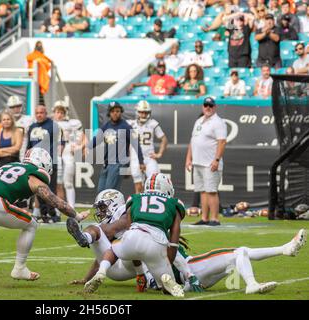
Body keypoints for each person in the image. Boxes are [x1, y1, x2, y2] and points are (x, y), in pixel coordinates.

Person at [0, 148, 90, 286]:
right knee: (31, 224)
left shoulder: (11, 165)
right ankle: (19, 268)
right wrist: (76, 215)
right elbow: (54, 200)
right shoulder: (34, 175)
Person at [79, 173, 186, 297]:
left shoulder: (134, 199)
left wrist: (139, 273)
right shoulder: (175, 203)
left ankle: (102, 271)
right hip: (154, 244)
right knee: (165, 280)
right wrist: (168, 263)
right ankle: (163, 279)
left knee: (113, 249)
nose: (100, 211)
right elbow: (173, 241)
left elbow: (129, 231)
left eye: (103, 207)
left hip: (132, 241)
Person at [173, 229, 307, 294]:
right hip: (192, 269)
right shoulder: (158, 231)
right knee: (239, 252)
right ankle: (252, 285)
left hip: (193, 275)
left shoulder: (154, 232)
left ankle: (284, 249)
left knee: (240, 256)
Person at [186, 97, 227, 226]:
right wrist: (188, 158)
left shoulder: (218, 122)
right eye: (205, 105)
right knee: (202, 191)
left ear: (214, 107)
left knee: (211, 191)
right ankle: (204, 218)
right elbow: (193, 141)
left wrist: (216, 159)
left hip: (210, 163)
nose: (207, 108)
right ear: (202, 107)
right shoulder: (199, 121)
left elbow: (222, 142)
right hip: (198, 162)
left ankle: (215, 218)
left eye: (210, 105)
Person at [88, 101, 145, 193]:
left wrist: (141, 161)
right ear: (109, 113)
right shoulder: (106, 126)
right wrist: (86, 147)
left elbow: (136, 144)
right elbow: (96, 140)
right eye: (113, 111)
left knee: (110, 191)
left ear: (120, 112)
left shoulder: (126, 127)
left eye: (117, 111)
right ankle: (104, 207)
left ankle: (112, 207)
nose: (115, 113)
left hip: (119, 162)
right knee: (101, 191)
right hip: (106, 163)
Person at [27, 105, 65, 223]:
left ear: (46, 113)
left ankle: (53, 214)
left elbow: (61, 142)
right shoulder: (32, 127)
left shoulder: (53, 125)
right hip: (34, 163)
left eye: (41, 112)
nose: (39, 115)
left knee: (51, 189)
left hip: (49, 162)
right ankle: (44, 214)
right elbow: (29, 145)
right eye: (37, 113)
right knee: (38, 189)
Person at [127, 100, 168, 193]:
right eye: (141, 112)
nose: (143, 115)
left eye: (145, 112)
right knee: (139, 187)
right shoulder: (131, 124)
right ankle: (139, 206)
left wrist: (159, 153)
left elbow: (164, 139)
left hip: (149, 158)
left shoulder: (153, 123)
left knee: (155, 184)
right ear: (137, 112)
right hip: (135, 158)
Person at [53, 100, 85, 208]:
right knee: (57, 183)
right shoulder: (49, 123)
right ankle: (58, 208)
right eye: (57, 112)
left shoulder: (72, 123)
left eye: (62, 112)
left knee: (68, 182)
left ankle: (71, 207)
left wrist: (78, 146)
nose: (60, 114)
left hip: (67, 151)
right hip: (54, 151)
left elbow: (82, 137)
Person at [6, 95, 34, 160]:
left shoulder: (29, 119)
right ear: (9, 108)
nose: (16, 109)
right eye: (13, 107)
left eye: (18, 106)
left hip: (25, 150)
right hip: (10, 152)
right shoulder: (6, 121)